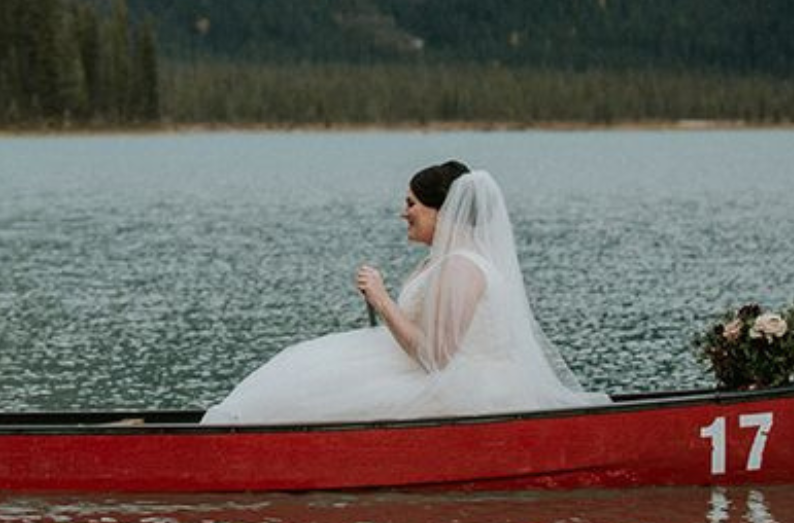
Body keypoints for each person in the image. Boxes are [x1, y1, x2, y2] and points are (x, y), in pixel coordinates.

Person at [200, 161, 606, 425]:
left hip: (467, 390)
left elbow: (436, 357)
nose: (403, 212)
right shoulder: (440, 260)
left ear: (440, 210)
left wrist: (382, 299)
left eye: (411, 203)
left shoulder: (463, 266)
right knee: (298, 381)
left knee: (308, 396)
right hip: (422, 369)